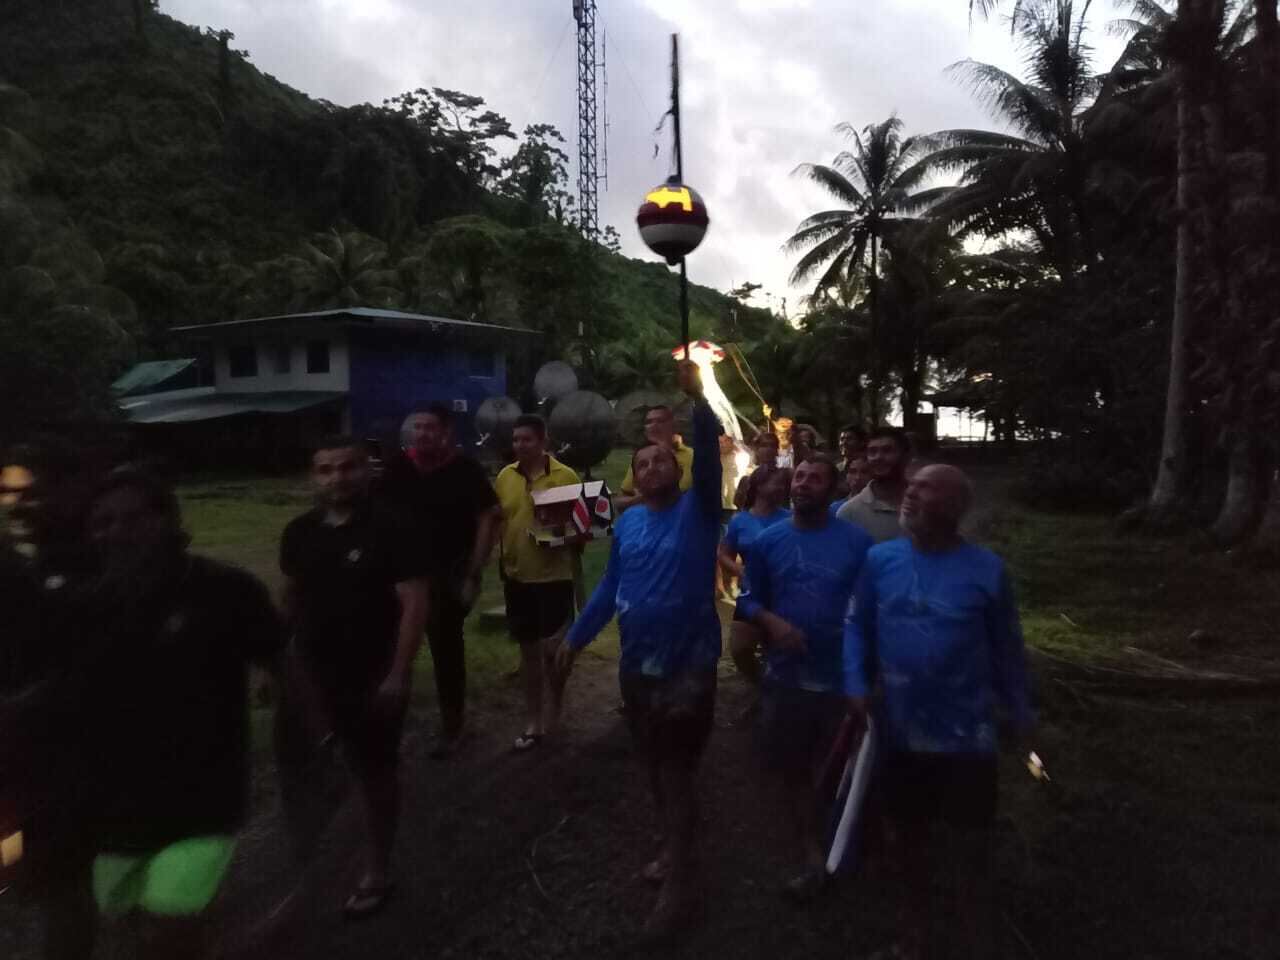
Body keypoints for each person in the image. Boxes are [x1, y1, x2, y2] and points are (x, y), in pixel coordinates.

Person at [81, 469, 283, 958]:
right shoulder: (88, 606)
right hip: (115, 804)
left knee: (172, 924)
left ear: (168, 519)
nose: (116, 532)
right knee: (121, 917)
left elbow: (284, 663)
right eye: (103, 522)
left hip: (203, 799)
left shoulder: (226, 591)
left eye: (131, 518)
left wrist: (317, 737)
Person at [557, 361, 722, 937]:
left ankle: (682, 882)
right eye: (642, 463)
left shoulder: (699, 512)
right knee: (655, 765)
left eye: (661, 460)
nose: (652, 466)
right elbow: (610, 588)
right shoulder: (626, 526)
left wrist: (698, 400)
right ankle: (676, 843)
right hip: (638, 668)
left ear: (677, 467)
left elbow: (706, 456)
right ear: (634, 476)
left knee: (674, 767)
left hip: (689, 665)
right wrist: (576, 639)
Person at [844, 464, 1033, 960]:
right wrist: (855, 682)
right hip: (899, 730)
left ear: (953, 508)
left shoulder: (986, 570)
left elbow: (1008, 649)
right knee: (905, 839)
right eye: (912, 486)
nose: (910, 495)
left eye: (925, 490)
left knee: (970, 847)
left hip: (966, 737)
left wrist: (1020, 714)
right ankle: (915, 938)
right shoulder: (880, 560)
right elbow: (857, 627)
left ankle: (978, 940)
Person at [277, 436, 431, 918]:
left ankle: (377, 867)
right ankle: (303, 869)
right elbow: (289, 598)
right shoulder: (299, 532)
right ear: (313, 477)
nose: (336, 478)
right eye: (325, 470)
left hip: (372, 672)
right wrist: (277, 663)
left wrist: (399, 673)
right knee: (301, 771)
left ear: (367, 472)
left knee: (375, 773)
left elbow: (414, 602)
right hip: (310, 675)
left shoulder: (393, 527)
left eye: (347, 468)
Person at [736, 456, 873, 900]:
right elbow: (749, 600)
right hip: (786, 678)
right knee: (791, 768)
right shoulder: (767, 542)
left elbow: (870, 611)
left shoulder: (858, 544)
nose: (804, 484)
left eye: (816, 477)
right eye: (799, 476)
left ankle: (844, 843)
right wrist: (772, 624)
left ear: (832, 490)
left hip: (840, 682)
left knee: (838, 769)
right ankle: (810, 850)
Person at [379, 403, 500, 756]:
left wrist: (473, 574)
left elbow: (488, 518)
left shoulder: (464, 469)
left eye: (430, 427)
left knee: (447, 653)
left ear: (446, 432)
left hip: (448, 575)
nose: (422, 434)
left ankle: (453, 727)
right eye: (417, 427)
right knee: (391, 652)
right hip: (399, 577)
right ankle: (387, 725)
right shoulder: (398, 468)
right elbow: (377, 515)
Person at [493, 414, 580, 751]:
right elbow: (502, 519)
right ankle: (534, 720)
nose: (519, 445)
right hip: (517, 578)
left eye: (526, 439)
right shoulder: (504, 477)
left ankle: (556, 710)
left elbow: (584, 528)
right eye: (515, 440)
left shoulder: (565, 476)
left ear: (543, 441)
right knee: (527, 653)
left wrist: (554, 535)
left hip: (554, 577)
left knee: (552, 653)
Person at [719, 465, 791, 691]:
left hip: (784, 593)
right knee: (740, 648)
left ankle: (775, 693)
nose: (781, 488)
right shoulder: (740, 521)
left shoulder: (790, 519)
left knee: (777, 648)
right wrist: (738, 571)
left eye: (783, 484)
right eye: (776, 483)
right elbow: (723, 553)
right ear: (759, 486)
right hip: (751, 593)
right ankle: (760, 684)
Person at [615, 403, 694, 513]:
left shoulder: (693, 457)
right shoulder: (643, 460)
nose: (653, 425)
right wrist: (641, 498)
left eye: (660, 421)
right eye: (649, 422)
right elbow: (619, 501)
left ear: (674, 426)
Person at [837, 425, 910, 542]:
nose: (878, 457)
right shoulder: (849, 513)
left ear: (906, 456)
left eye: (887, 450)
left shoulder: (925, 504)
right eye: (872, 451)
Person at [733, 430, 780, 509]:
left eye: (772, 445)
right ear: (757, 449)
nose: (768, 449)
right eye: (764, 445)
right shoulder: (746, 480)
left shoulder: (784, 476)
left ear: (777, 450)